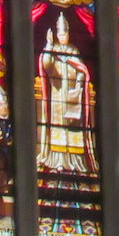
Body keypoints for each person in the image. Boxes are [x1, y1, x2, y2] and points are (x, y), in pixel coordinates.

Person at [36, 14, 98, 176]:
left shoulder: (73, 50)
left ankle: (75, 161)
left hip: (73, 95)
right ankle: (58, 161)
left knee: (73, 127)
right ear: (57, 34)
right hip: (57, 95)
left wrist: (78, 83)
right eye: (61, 34)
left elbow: (81, 70)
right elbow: (46, 64)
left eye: (65, 34)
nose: (63, 36)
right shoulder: (53, 48)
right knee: (59, 128)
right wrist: (48, 45)